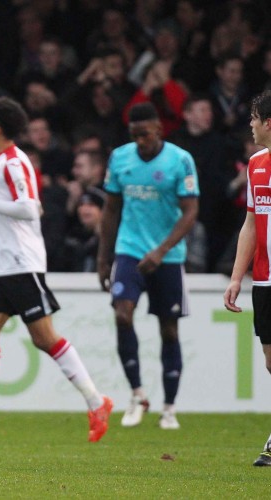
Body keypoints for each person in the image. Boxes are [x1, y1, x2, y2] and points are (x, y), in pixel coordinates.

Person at [0, 97, 113, 443]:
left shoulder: (13, 163)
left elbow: (31, 209)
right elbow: (15, 213)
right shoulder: (0, 162)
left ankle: (97, 403)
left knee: (44, 338)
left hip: (20, 266)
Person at [97, 102, 199, 430]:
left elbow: (190, 212)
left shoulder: (180, 160)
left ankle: (168, 408)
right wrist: (104, 258)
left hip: (167, 257)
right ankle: (137, 394)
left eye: (145, 134)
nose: (140, 140)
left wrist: (162, 249)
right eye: (134, 135)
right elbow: (111, 209)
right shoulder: (119, 158)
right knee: (122, 315)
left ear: (159, 129)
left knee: (168, 329)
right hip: (129, 251)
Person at [223, 90, 271, 467]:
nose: (250, 125)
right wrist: (237, 277)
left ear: (268, 122)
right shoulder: (256, 165)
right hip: (265, 278)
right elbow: (251, 224)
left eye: (254, 118)